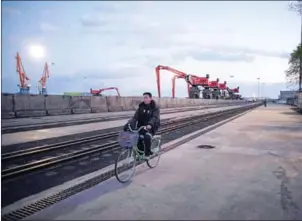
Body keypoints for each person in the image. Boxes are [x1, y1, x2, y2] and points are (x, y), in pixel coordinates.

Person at [123, 92, 160, 159]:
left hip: (151, 127)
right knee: (135, 135)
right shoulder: (141, 108)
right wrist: (129, 123)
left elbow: (155, 118)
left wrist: (150, 124)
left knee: (147, 136)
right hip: (141, 127)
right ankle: (139, 153)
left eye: (146, 97)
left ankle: (147, 154)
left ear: (150, 98)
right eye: (144, 98)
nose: (145, 99)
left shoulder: (155, 108)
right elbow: (135, 118)